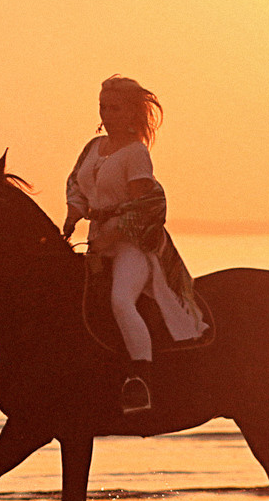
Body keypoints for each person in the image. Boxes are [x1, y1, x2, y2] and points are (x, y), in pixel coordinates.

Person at [61, 76, 207, 413]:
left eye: (115, 108)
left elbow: (144, 209)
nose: (107, 114)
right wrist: (74, 214)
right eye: (103, 107)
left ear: (132, 114)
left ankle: (140, 378)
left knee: (121, 299)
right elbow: (77, 185)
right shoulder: (93, 148)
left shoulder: (136, 154)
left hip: (133, 247)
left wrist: (109, 238)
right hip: (97, 241)